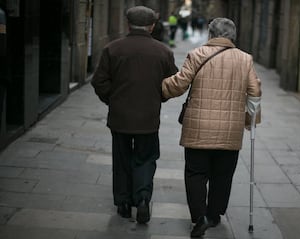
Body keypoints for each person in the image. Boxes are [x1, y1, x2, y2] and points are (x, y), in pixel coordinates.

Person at [162, 17, 261, 237]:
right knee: (223, 174)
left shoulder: (197, 55)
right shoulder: (245, 59)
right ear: (233, 36)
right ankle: (214, 215)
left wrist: (161, 88)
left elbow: (179, 83)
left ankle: (199, 217)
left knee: (195, 172)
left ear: (210, 34)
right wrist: (250, 119)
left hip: (198, 126)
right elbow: (255, 92)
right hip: (230, 129)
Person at [91, 6, 178, 224]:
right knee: (145, 159)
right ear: (152, 26)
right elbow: (172, 83)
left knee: (121, 160)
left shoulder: (112, 49)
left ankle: (122, 203)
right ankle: (142, 199)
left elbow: (99, 81)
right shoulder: (163, 52)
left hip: (120, 117)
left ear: (128, 25)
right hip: (148, 119)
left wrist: (113, 100)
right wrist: (158, 98)